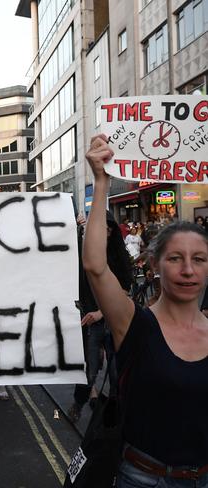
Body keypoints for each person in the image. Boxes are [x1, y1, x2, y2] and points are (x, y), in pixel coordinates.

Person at [84, 134, 208, 487]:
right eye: (175, 259)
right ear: (154, 265)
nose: (188, 269)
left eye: (198, 259)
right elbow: (95, 265)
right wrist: (101, 182)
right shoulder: (134, 324)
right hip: (143, 478)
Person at [67, 210, 132, 423]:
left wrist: (100, 312)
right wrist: (74, 227)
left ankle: (114, 416)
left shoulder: (116, 256)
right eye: (99, 228)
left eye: (108, 229)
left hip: (113, 321)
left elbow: (125, 289)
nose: (104, 232)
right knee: (90, 371)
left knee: (116, 373)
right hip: (91, 323)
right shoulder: (83, 252)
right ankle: (78, 404)